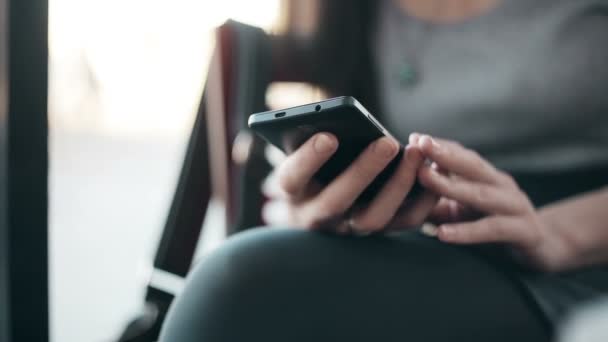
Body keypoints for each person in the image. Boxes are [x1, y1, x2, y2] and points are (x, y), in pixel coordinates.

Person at [160, 0, 608, 341]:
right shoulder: (351, 13)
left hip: (583, 251)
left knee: (240, 289)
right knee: (239, 283)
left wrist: (555, 236)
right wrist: (310, 205)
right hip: (439, 234)